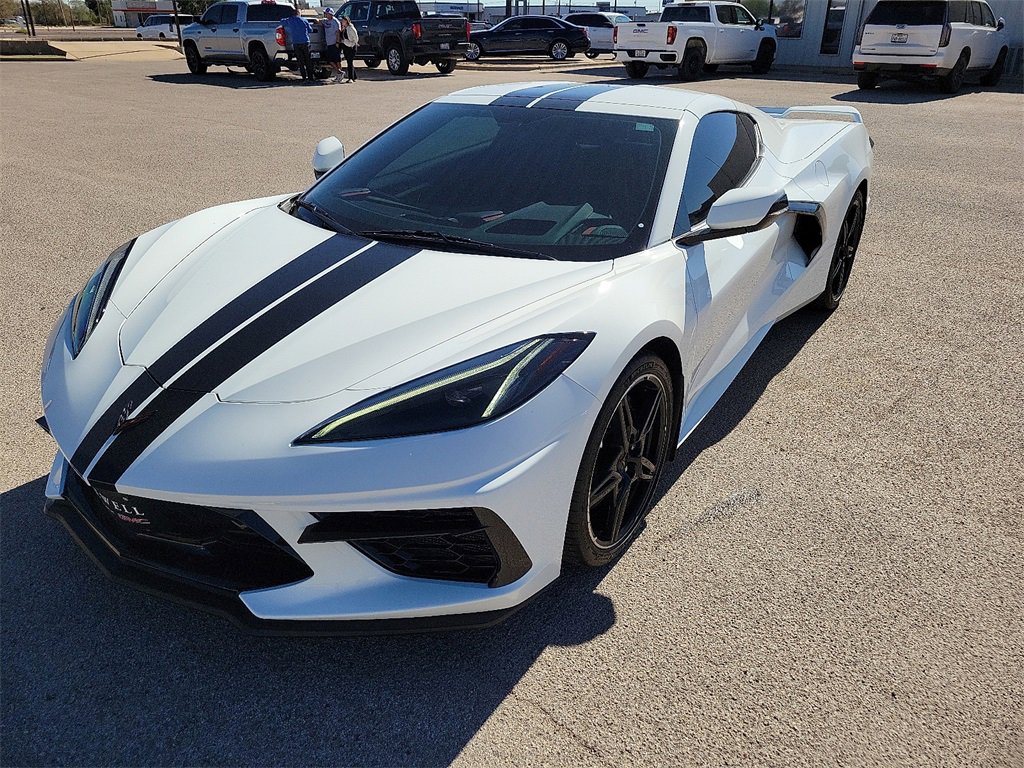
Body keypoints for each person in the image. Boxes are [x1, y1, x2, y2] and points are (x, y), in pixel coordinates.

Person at [280, 6, 314, 82]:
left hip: (296, 43)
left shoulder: (290, 20)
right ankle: (311, 77)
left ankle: (304, 77)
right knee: (308, 60)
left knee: (300, 61)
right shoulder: (304, 20)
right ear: (299, 13)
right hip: (305, 42)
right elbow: (310, 30)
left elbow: (281, 21)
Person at [321, 7, 343, 83]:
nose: (325, 14)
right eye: (325, 13)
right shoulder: (325, 21)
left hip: (334, 43)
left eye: (326, 13)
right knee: (330, 60)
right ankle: (339, 72)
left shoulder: (335, 22)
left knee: (337, 60)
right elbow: (318, 22)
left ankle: (339, 74)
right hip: (328, 43)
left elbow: (338, 32)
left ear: (330, 14)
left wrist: (337, 42)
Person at [339, 15, 358, 82]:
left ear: (347, 21)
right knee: (349, 62)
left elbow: (355, 38)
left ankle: (351, 78)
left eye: (343, 21)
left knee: (349, 62)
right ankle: (354, 76)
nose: (342, 22)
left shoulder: (351, 28)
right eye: (342, 21)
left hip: (351, 47)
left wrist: (354, 43)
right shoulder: (344, 28)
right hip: (345, 46)